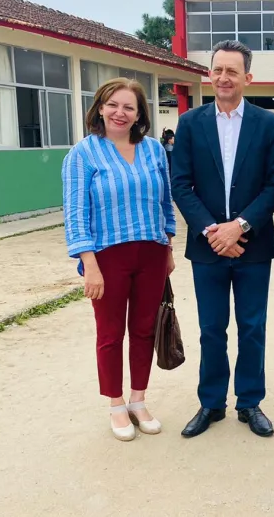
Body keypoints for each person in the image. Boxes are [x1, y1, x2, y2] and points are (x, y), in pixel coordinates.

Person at [171, 40, 274, 438]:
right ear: (211, 74)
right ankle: (211, 402)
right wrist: (212, 231)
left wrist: (240, 225)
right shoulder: (190, 123)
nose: (223, 77)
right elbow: (181, 184)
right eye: (217, 69)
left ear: (247, 78)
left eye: (231, 71)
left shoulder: (269, 125)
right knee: (211, 328)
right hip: (207, 248)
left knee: (252, 326)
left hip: (252, 247)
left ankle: (250, 401)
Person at [61, 77, 176, 442]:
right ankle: (115, 403)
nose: (120, 113)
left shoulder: (155, 150)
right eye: (113, 105)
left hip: (152, 252)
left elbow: (165, 203)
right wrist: (88, 264)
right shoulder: (83, 153)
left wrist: (168, 247)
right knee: (110, 334)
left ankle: (138, 400)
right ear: (99, 108)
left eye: (129, 107)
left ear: (140, 113)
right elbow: (76, 213)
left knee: (144, 329)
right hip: (107, 256)